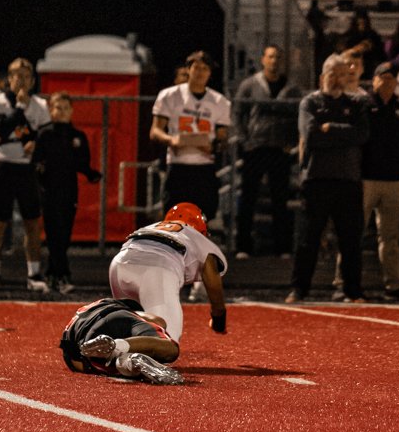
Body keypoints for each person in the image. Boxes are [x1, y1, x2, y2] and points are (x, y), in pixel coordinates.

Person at [286, 54, 370, 303]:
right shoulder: (310, 103)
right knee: (308, 238)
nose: (337, 79)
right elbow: (311, 134)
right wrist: (342, 133)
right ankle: (299, 289)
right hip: (316, 179)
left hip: (348, 180)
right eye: (333, 74)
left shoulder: (356, 104)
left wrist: (329, 128)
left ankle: (353, 290)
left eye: (342, 74)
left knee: (350, 239)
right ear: (323, 76)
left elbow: (362, 135)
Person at [109, 202, 227, 343]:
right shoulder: (196, 236)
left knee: (126, 326)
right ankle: (118, 347)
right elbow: (212, 280)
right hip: (158, 268)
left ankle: (113, 343)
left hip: (119, 264)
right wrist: (219, 318)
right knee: (166, 342)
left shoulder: (152, 227)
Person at [0, 57, 51, 292]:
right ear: (9, 78)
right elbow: (2, 129)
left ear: (32, 81)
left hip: (26, 168)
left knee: (32, 222)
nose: (21, 81)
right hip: (4, 166)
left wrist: (37, 146)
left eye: (26, 76)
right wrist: (20, 107)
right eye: (16, 76)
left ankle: (34, 274)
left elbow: (46, 135)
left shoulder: (40, 105)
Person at [233, 45, 302, 258]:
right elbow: (237, 113)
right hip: (255, 149)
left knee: (280, 200)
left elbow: (299, 117)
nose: (274, 61)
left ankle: (283, 247)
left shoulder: (291, 88)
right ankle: (243, 246)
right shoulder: (249, 85)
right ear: (263, 59)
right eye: (271, 57)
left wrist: (292, 143)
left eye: (278, 57)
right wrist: (244, 140)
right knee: (248, 198)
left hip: (280, 150)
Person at [33, 92, 102, 294]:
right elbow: (36, 161)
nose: (62, 112)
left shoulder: (77, 136)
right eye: (58, 108)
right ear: (51, 110)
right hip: (49, 190)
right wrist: (40, 172)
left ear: (71, 111)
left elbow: (82, 164)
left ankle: (51, 274)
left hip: (69, 190)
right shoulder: (45, 135)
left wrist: (91, 174)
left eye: (65, 108)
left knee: (64, 234)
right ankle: (63, 275)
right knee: (53, 233)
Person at [361, 62, 399, 298]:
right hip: (366, 178)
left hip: (393, 179)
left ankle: (393, 283)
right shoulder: (364, 105)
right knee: (354, 232)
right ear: (374, 80)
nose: (387, 82)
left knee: (390, 236)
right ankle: (345, 282)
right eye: (382, 77)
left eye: (391, 78)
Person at [150, 51, 230, 223]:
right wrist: (172, 140)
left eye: (205, 69)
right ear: (188, 69)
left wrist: (213, 146)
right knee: (173, 220)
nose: (200, 72)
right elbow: (155, 131)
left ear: (210, 73)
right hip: (178, 165)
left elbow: (222, 138)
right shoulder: (170, 96)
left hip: (204, 167)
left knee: (203, 219)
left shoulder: (220, 101)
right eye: (196, 68)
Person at [60, 297, 183, 385]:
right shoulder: (124, 309)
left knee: (113, 364)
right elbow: (159, 321)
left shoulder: (87, 309)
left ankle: (126, 360)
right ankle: (117, 346)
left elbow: (70, 354)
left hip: (80, 345)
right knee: (170, 349)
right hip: (117, 317)